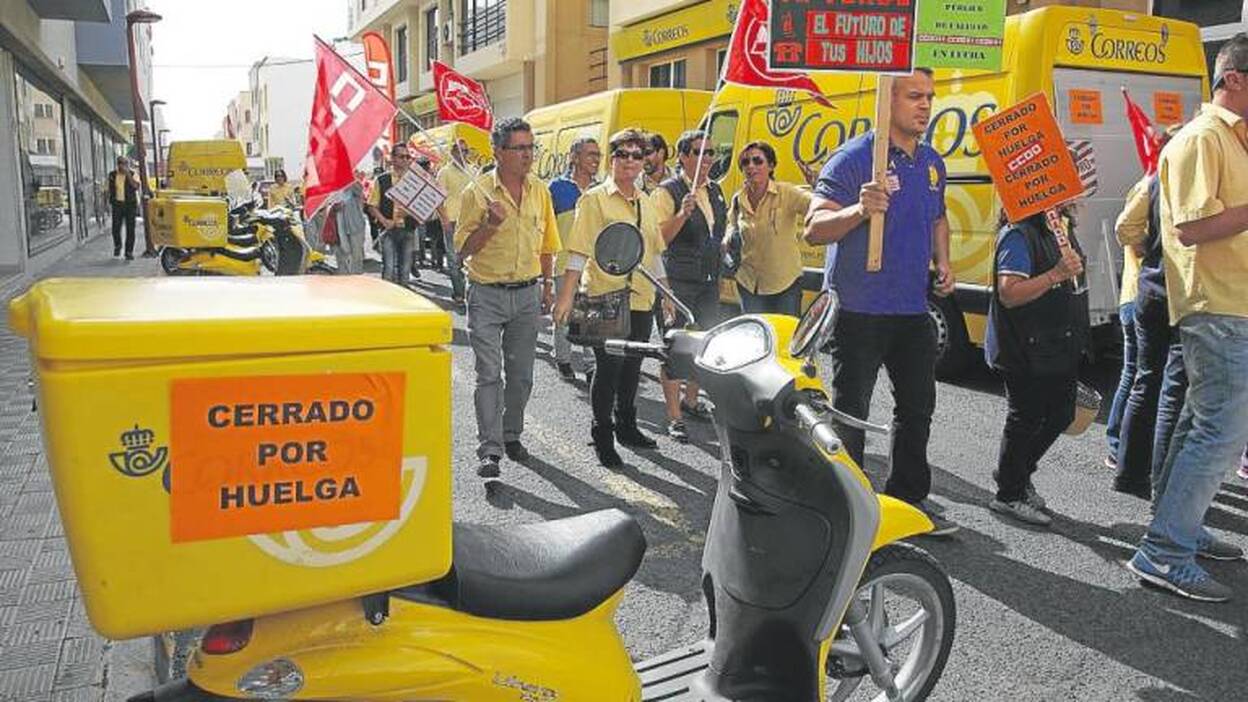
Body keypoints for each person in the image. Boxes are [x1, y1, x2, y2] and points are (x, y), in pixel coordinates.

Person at [803, 68, 958, 535]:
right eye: (915, 96)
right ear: (885, 101)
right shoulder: (853, 161)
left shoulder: (932, 162)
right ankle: (847, 506)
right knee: (852, 410)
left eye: (929, 97)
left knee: (917, 408)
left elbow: (939, 219)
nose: (925, 105)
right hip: (859, 309)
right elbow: (814, 227)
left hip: (912, 310)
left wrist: (944, 261)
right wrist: (859, 210)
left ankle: (908, 503)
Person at [1127, 36, 1248, 603]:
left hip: (1228, 304)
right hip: (1219, 306)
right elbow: (1192, 229)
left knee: (1202, 425)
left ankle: (1177, 530)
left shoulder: (1229, 139)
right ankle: (1165, 549)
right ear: (1236, 80)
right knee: (1220, 433)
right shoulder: (1204, 138)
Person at [553, 129, 667, 466]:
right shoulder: (594, 199)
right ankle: (602, 434)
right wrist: (566, 297)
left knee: (633, 367)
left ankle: (627, 426)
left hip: (642, 297)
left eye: (637, 154)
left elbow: (655, 252)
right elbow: (578, 251)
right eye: (623, 154)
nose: (630, 161)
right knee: (608, 369)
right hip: (605, 295)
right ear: (612, 158)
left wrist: (667, 293)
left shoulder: (646, 200)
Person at [455, 117, 561, 479]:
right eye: (519, 148)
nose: (528, 155)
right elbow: (461, 251)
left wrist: (547, 287)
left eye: (532, 148)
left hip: (527, 295)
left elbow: (548, 245)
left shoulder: (540, 191)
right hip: (486, 294)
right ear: (498, 152)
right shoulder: (478, 192)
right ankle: (490, 450)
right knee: (489, 375)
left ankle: (511, 434)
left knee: (521, 377)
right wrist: (489, 225)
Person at [984, 207, 1088, 527]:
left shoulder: (1057, 226)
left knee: (1062, 413)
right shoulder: (1019, 233)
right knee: (1025, 418)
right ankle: (1009, 494)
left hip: (1056, 342)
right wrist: (1056, 274)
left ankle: (1014, 473)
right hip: (1025, 347)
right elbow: (1010, 293)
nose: (1078, 193)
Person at [1112, 126, 1186, 500]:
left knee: (1145, 380)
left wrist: (1149, 251)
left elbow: (1125, 226)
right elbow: (1125, 228)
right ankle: (1162, 481)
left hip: (1150, 291)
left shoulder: (1156, 179)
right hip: (1177, 294)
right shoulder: (1186, 175)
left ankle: (1130, 472)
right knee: (1173, 390)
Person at [652, 130, 729, 443]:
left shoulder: (716, 191)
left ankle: (692, 401)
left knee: (705, 344)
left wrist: (723, 246)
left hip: (709, 280)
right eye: (699, 152)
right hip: (678, 282)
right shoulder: (667, 192)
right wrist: (683, 214)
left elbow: (717, 231)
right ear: (683, 156)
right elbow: (659, 240)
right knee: (675, 348)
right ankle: (674, 417)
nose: (706, 158)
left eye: (711, 152)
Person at [725, 141, 812, 316]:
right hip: (749, 285)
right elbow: (731, 226)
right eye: (745, 162)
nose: (751, 166)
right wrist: (726, 241)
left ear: (771, 166)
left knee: (785, 338)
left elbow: (818, 206)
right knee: (757, 338)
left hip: (784, 285)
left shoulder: (786, 193)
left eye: (758, 161)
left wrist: (819, 185)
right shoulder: (738, 198)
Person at [549, 137, 601, 381]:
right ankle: (563, 358)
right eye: (590, 154)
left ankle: (591, 365)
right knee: (565, 315)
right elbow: (545, 229)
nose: (595, 160)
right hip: (563, 262)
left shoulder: (600, 190)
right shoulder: (556, 188)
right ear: (574, 157)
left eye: (598, 155)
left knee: (589, 316)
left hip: (593, 266)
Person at [366, 143, 420, 288]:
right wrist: (384, 221)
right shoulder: (382, 180)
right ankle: (387, 303)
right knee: (388, 269)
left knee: (405, 270)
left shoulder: (415, 181)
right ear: (393, 158)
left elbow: (422, 208)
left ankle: (403, 305)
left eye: (408, 157)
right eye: (402, 156)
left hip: (408, 230)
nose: (406, 160)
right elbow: (371, 206)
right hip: (388, 231)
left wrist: (409, 212)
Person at [435, 139, 472, 304]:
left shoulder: (473, 170)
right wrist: (444, 219)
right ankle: (459, 293)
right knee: (454, 259)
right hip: (451, 220)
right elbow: (437, 199)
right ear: (453, 153)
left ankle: (470, 291)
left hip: (471, 221)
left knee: (471, 258)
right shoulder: (444, 172)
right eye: (459, 151)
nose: (463, 154)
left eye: (465, 151)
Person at [106, 156, 139, 260]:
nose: (122, 165)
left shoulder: (133, 174)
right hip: (117, 205)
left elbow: (136, 186)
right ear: (117, 164)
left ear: (127, 164)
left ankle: (129, 252)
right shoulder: (112, 175)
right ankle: (118, 245)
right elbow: (108, 189)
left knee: (130, 229)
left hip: (130, 205)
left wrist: (128, 174)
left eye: (124, 163)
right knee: (115, 228)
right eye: (120, 163)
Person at [333, 180, 368, 274]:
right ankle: (346, 278)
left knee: (357, 255)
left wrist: (350, 180)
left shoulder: (354, 185)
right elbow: (330, 204)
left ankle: (356, 277)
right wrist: (335, 206)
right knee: (344, 253)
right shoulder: (335, 188)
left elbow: (360, 192)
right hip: (341, 226)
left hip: (356, 225)